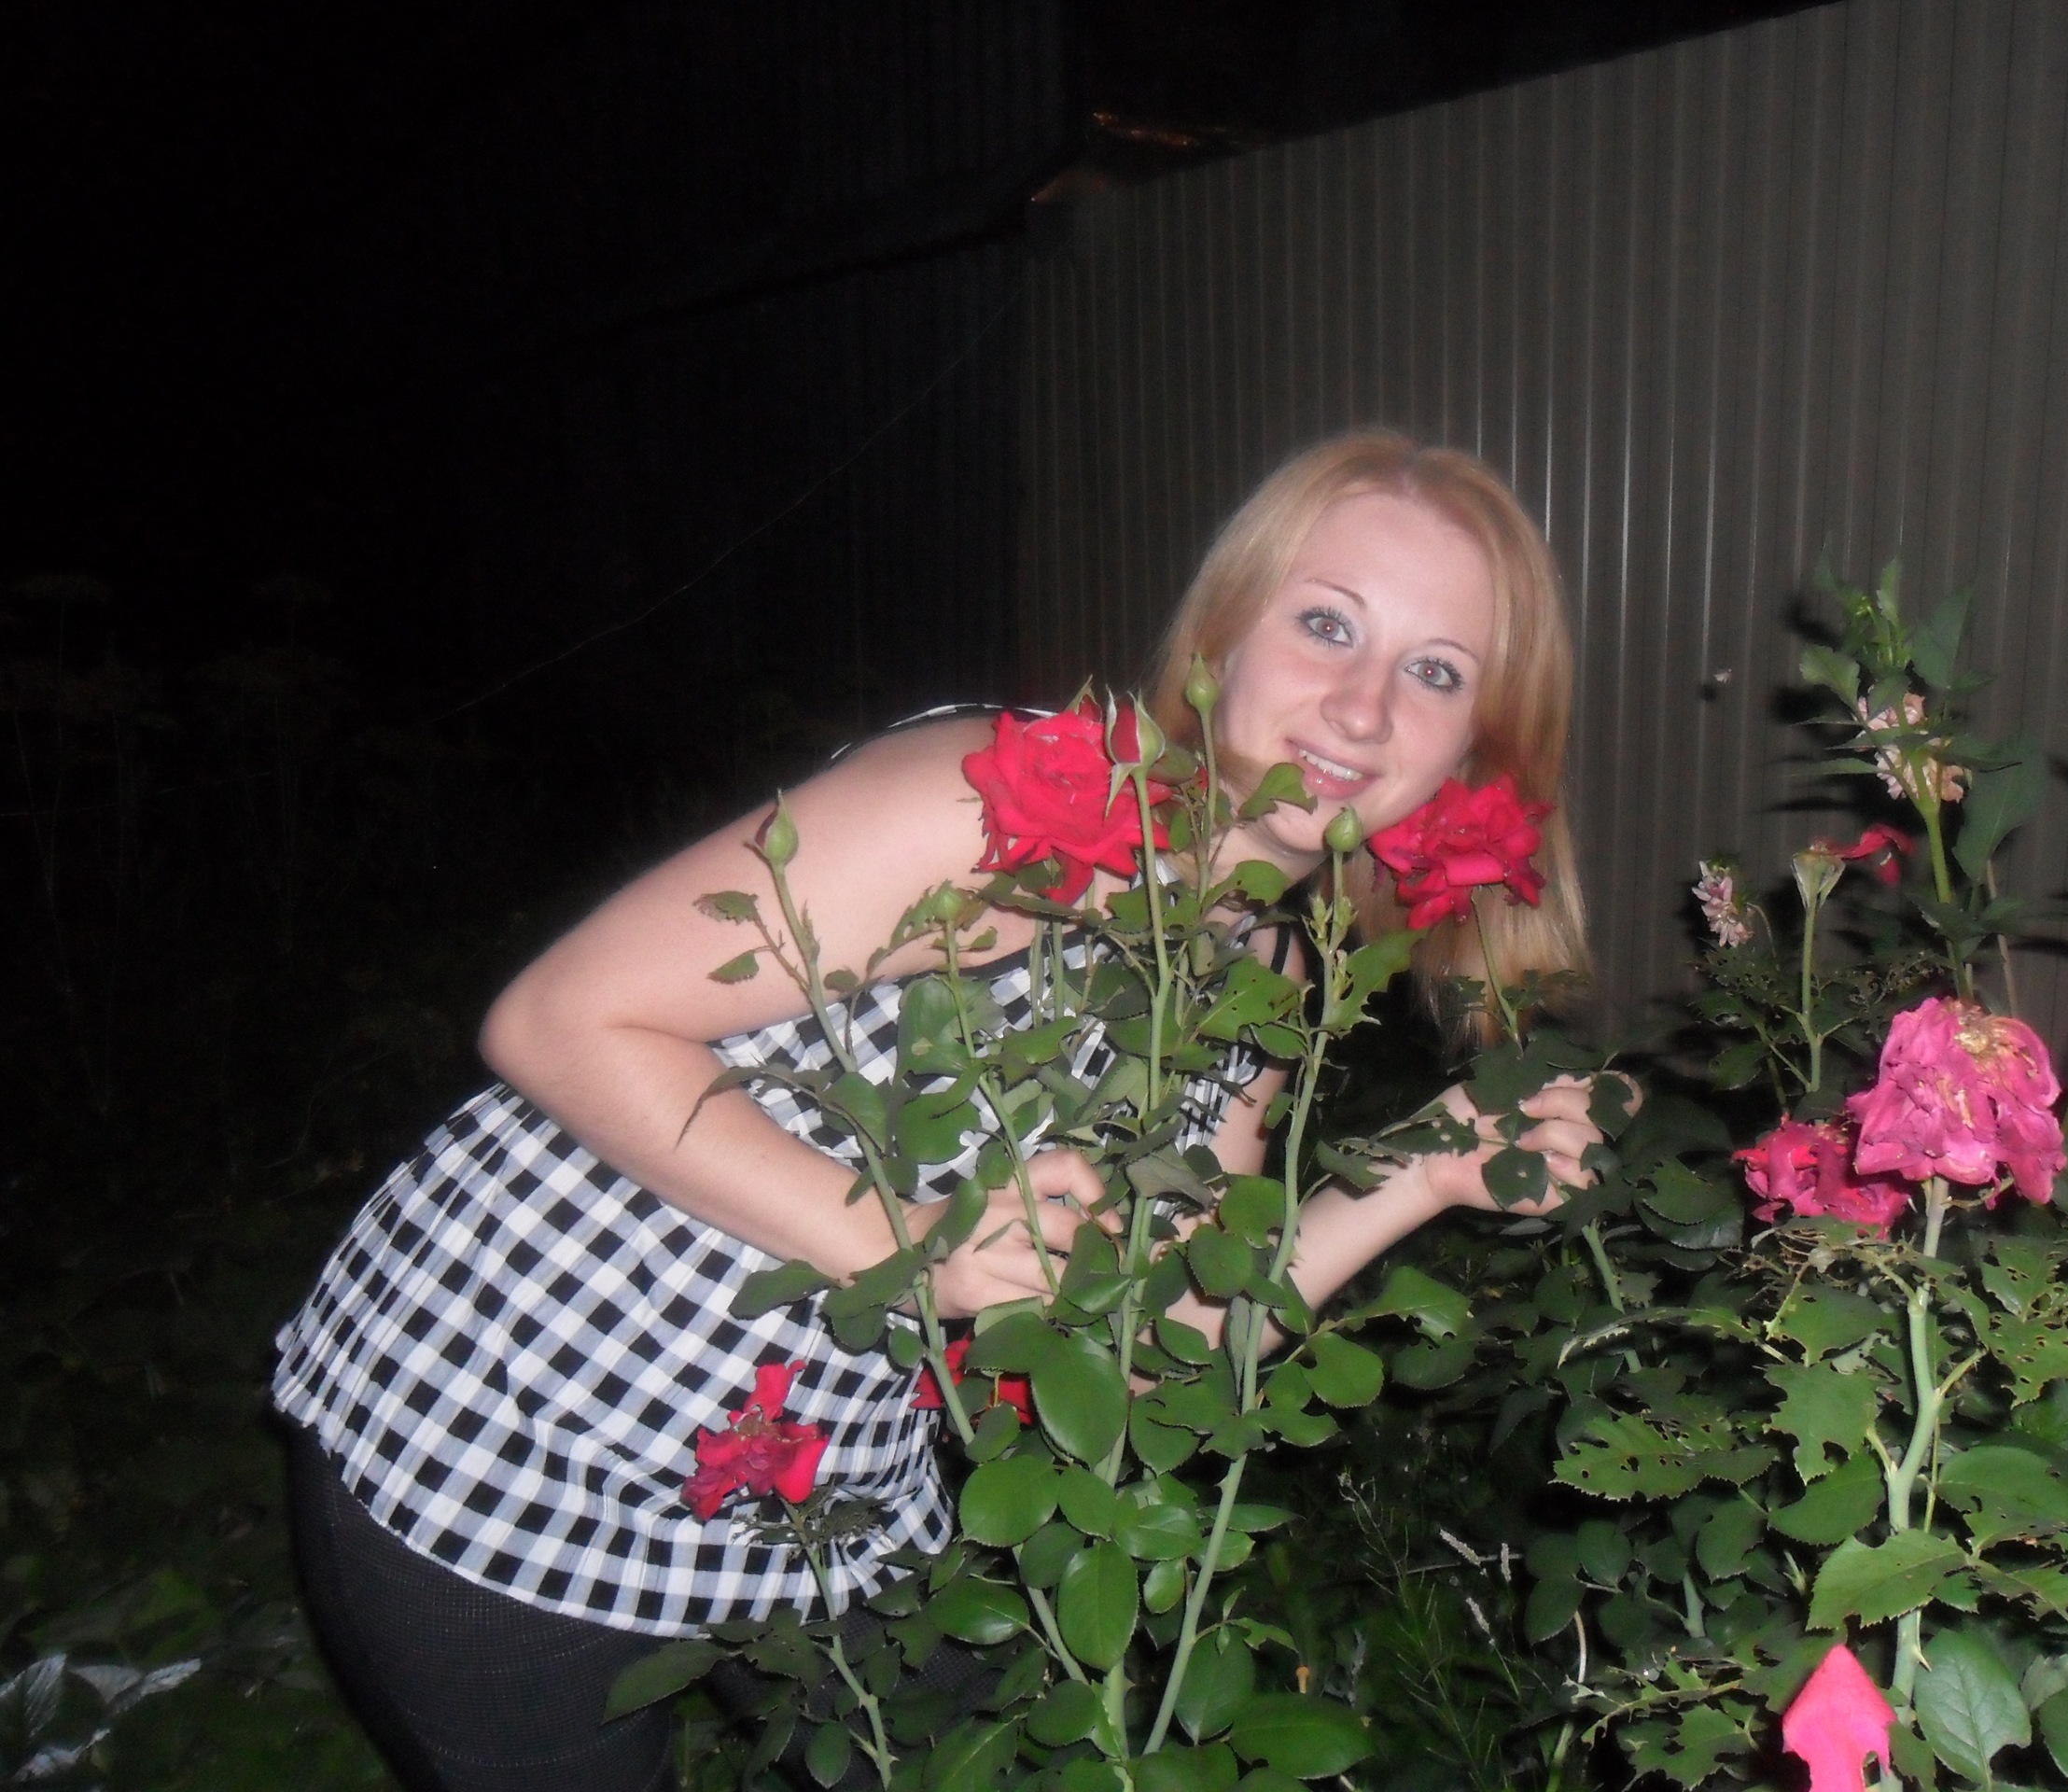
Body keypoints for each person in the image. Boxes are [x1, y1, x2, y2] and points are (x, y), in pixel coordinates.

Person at [272, 428, 1602, 1792]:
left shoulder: (1260, 975)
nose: (1363, 710)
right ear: (1225, 630)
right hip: (511, 1420)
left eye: (1436, 672)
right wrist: (912, 1245)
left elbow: (1166, 1356)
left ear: (1475, 746)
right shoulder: (1012, 810)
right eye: (1327, 624)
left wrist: (1421, 1176)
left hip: (808, 1472)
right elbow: (558, 1020)